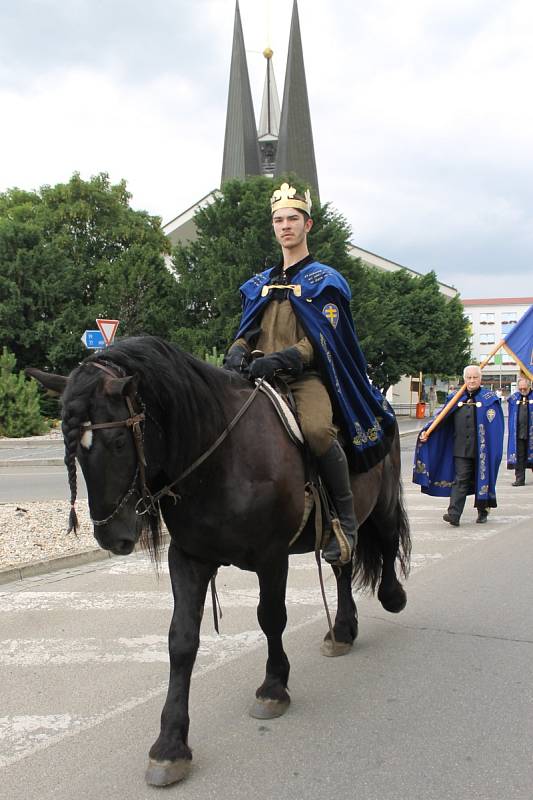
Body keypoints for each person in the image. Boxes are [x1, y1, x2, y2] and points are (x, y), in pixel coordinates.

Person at [223, 182, 396, 565]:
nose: (285, 226)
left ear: (308, 225)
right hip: (258, 378)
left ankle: (345, 521)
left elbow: (323, 340)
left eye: (293, 219)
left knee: (318, 432)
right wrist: (236, 352)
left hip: (303, 378)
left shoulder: (324, 282)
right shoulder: (259, 285)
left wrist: (283, 358)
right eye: (278, 220)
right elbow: (247, 331)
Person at [413, 365, 504, 526]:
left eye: (475, 377)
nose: (472, 380)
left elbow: (496, 428)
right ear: (464, 379)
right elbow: (440, 418)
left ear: (480, 379)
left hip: (483, 449)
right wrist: (426, 432)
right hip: (461, 448)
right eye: (469, 377)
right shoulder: (455, 398)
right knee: (460, 480)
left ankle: (483, 510)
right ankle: (454, 514)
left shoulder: (489, 399)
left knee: (482, 480)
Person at [507, 377, 533, 486]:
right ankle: (519, 479)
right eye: (520, 388)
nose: (522, 390)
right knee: (520, 456)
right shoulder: (514, 398)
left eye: (524, 388)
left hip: (531, 432)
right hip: (518, 433)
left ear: (529, 386)